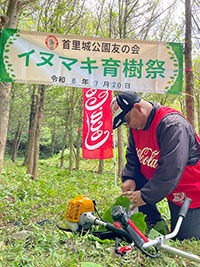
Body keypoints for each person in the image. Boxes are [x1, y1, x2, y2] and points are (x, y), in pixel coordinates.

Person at [110, 91, 200, 240]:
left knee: (185, 237)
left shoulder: (172, 125)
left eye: (126, 121)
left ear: (138, 107)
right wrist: (130, 178)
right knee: (158, 229)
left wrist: (145, 196)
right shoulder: (136, 127)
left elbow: (172, 168)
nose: (127, 126)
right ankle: (154, 221)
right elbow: (133, 155)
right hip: (164, 186)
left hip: (190, 190)